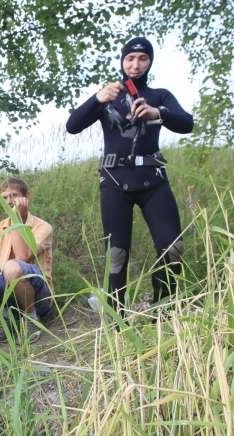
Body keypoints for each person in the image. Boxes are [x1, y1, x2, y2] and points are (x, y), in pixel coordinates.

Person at [66, 37, 194, 311]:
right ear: (122, 61)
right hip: (114, 181)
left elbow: (187, 124)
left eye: (142, 58)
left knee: (173, 248)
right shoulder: (109, 95)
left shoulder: (160, 96)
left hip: (153, 181)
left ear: (150, 61)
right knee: (116, 254)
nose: (135, 65)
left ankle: (163, 309)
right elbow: (72, 126)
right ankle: (116, 314)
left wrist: (157, 113)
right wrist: (97, 99)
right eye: (130, 58)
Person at [0, 177, 54, 337]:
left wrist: (17, 219)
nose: (9, 201)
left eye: (14, 195)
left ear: (26, 196)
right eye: (5, 198)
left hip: (40, 295)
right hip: (9, 290)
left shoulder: (43, 227)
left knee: (11, 267)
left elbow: (23, 256)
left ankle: (31, 320)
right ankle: (8, 318)